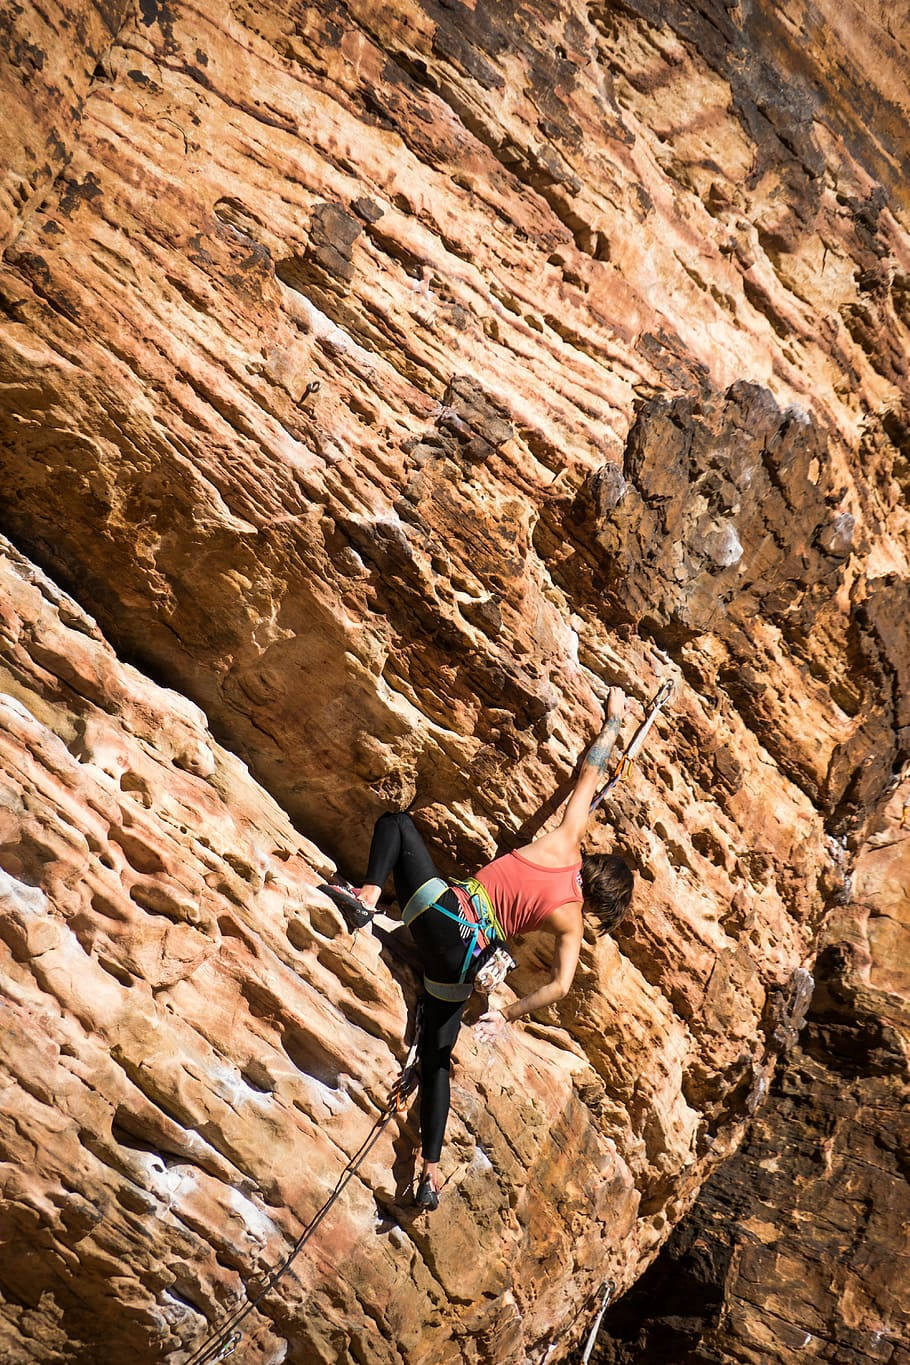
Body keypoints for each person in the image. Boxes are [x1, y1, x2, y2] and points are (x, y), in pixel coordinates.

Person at [325, 687, 634, 1210]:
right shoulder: (572, 926)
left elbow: (590, 771)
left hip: (444, 917)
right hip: (464, 967)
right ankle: (430, 1172)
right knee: (438, 1061)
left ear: (595, 863)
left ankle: (368, 896)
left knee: (397, 825)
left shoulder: (565, 844)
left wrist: (614, 720)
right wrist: (506, 1014)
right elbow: (558, 987)